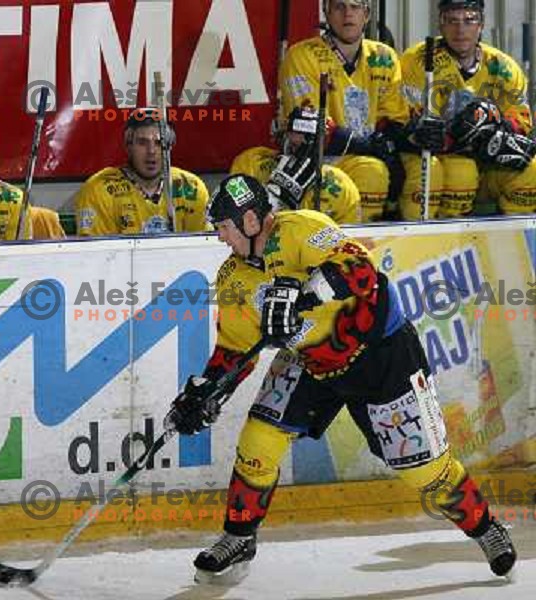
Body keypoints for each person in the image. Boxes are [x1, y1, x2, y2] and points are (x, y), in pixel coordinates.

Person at [165, 173, 517, 584]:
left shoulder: (302, 227)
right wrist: (207, 391)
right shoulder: (233, 278)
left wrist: (304, 293)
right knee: (259, 438)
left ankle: (485, 527)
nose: (220, 238)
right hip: (309, 361)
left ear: (250, 220)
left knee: (424, 471)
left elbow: (360, 270)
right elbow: (233, 350)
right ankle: (238, 536)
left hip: (381, 356)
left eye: (223, 227)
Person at [279, 0, 443, 221]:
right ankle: (357, 247)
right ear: (326, 13)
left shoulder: (383, 57)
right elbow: (307, 127)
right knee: (372, 172)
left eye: (355, 6)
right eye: (339, 6)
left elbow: (393, 118)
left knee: (428, 168)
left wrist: (415, 135)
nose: (348, 14)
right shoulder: (302, 55)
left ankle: (415, 243)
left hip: (368, 153)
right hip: (317, 157)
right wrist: (368, 146)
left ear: (366, 14)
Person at [400, 0, 536, 218]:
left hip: (487, 161)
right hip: (442, 159)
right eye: (451, 20)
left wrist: (496, 127)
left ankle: (513, 247)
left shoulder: (504, 67)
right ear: (440, 25)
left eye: (469, 20)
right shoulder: (418, 59)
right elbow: (407, 119)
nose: (460, 29)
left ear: (481, 25)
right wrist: (444, 135)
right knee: (461, 172)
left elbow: (521, 120)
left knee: (532, 171)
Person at [75, 108, 210, 236]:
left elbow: (204, 247)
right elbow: (96, 255)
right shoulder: (98, 190)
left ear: (170, 146)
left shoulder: (192, 187)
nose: (151, 151)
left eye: (159, 143)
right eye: (142, 142)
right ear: (128, 145)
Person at [231, 106, 362, 224]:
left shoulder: (341, 184)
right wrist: (274, 198)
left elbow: (350, 239)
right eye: (293, 143)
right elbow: (231, 219)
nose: (300, 151)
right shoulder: (251, 161)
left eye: (308, 141)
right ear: (282, 135)